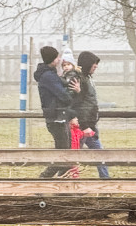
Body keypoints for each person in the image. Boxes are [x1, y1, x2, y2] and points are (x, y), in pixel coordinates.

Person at [35, 46, 79, 179]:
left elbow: (63, 85)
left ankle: (63, 185)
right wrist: (73, 93)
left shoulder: (51, 74)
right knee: (63, 155)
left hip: (59, 117)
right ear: (52, 59)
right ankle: (43, 179)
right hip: (56, 118)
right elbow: (63, 95)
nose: (59, 59)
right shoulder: (49, 76)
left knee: (65, 154)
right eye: (57, 57)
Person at [73, 51, 110, 178]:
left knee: (98, 154)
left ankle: (105, 180)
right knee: (72, 156)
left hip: (89, 124)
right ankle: (63, 182)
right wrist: (84, 126)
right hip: (84, 126)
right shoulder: (81, 80)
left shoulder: (88, 78)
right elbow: (79, 105)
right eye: (94, 66)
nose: (95, 68)